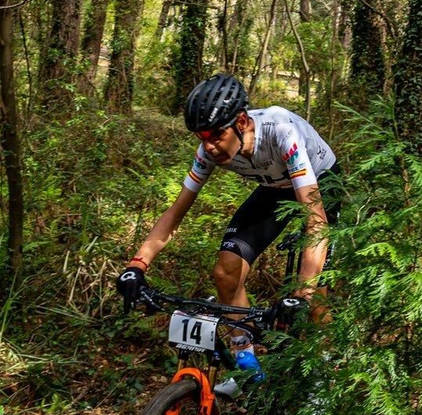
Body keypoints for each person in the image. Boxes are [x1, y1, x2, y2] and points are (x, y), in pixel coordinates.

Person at [114, 74, 342, 394]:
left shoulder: (281, 131)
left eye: (216, 134)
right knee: (226, 271)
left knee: (317, 294)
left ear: (242, 122)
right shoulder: (209, 150)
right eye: (201, 137)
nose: (209, 145)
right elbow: (175, 213)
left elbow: (315, 222)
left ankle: (324, 379)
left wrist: (301, 295)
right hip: (274, 187)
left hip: (320, 181)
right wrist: (137, 265)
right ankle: (247, 366)